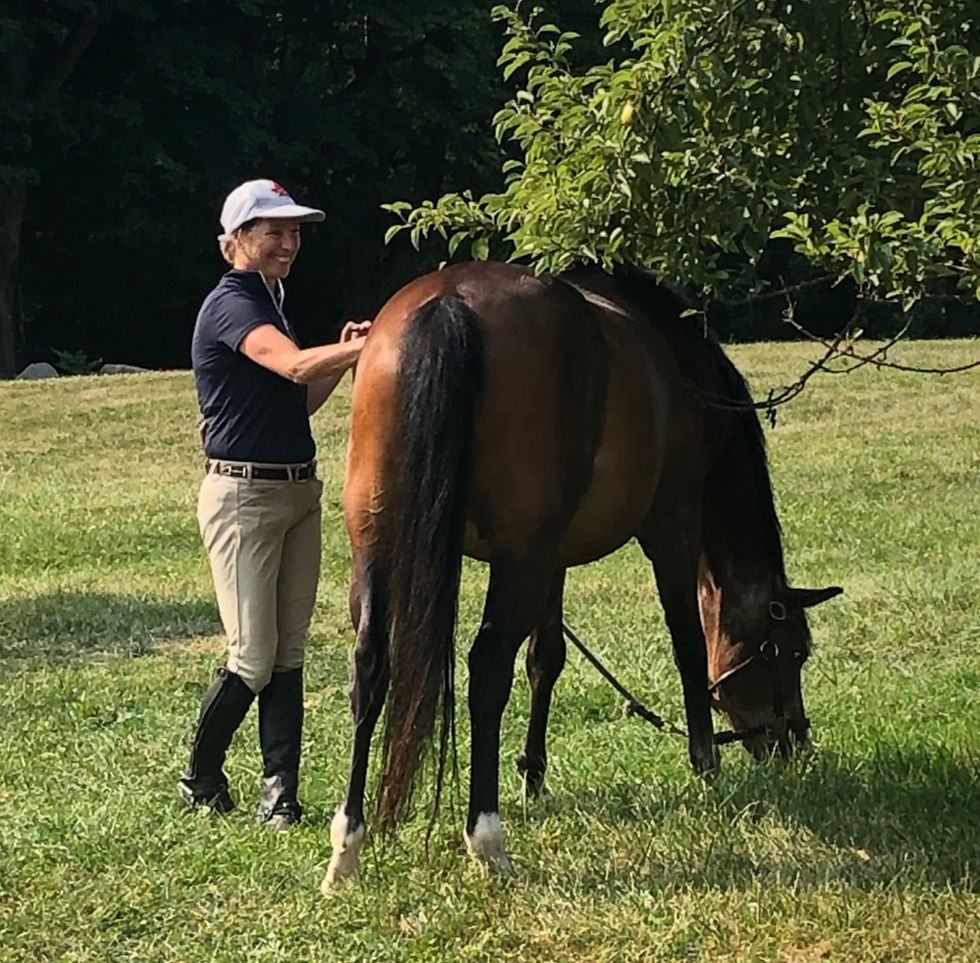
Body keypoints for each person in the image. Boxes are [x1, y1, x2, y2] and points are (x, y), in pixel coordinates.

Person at [180, 178, 370, 830]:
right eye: (274, 231)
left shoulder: (272, 301)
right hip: (244, 498)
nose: (289, 242)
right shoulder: (233, 303)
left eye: (294, 232)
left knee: (289, 653)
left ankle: (279, 795)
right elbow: (291, 367)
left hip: (295, 490)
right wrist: (356, 349)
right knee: (254, 656)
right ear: (238, 240)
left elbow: (297, 400)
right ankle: (200, 775)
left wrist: (339, 364)